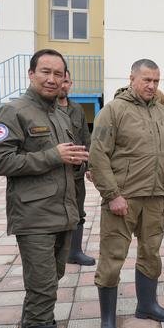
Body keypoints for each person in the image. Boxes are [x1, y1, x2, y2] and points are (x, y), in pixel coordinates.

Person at [0, 49, 85, 328]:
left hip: (62, 214)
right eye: (45, 71)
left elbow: (66, 160)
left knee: (45, 288)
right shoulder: (13, 111)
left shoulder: (60, 114)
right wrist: (53, 156)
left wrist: (77, 163)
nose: (52, 78)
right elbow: (0, 161)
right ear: (31, 74)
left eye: (58, 73)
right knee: (43, 290)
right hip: (33, 218)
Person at [89, 59, 164, 328]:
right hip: (123, 199)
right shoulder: (114, 111)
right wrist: (112, 195)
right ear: (132, 78)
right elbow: (98, 155)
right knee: (112, 257)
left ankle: (147, 305)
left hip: (154, 198)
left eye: (156, 80)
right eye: (146, 80)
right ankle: (107, 321)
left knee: (151, 252)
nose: (152, 86)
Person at [57, 72, 95, 266]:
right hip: (54, 173)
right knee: (55, 214)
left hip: (77, 173)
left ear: (70, 83)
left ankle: (75, 252)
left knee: (78, 212)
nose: (62, 85)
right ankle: (56, 253)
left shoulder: (77, 109)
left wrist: (89, 165)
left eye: (65, 81)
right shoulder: (47, 110)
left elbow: (85, 138)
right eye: (60, 80)